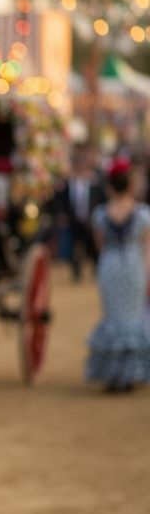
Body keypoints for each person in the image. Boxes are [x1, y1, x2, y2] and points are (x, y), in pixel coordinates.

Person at [85, 158, 150, 392]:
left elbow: (100, 246)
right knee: (133, 320)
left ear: (109, 186)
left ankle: (113, 374)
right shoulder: (143, 214)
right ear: (131, 185)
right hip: (134, 268)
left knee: (112, 319)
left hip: (110, 267)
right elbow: (147, 250)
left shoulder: (101, 214)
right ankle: (130, 373)